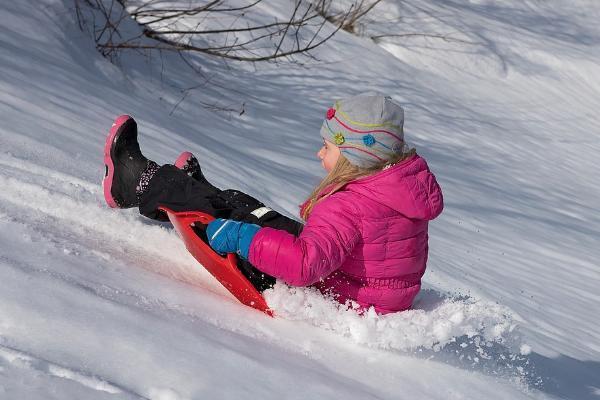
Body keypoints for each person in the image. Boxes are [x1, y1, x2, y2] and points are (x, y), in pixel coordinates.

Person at [103, 94, 443, 314]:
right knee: (250, 210)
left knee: (238, 221)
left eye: (327, 147)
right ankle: (200, 191)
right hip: (356, 289)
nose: (319, 153)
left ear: (355, 156)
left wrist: (242, 238)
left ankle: (137, 183)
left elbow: (304, 265)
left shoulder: (348, 206)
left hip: (330, 296)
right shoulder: (397, 189)